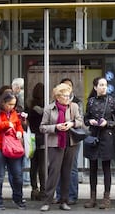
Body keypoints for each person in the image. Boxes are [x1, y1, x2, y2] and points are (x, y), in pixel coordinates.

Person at [39, 83, 83, 212]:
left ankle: (64, 201)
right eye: (65, 96)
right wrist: (55, 127)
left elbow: (81, 122)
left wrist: (72, 123)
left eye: (69, 95)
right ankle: (47, 201)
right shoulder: (49, 108)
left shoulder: (73, 107)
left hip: (70, 143)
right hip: (55, 143)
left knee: (67, 173)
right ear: (58, 97)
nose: (67, 98)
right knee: (54, 172)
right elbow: (42, 127)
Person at [0, 92, 26, 210]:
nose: (11, 107)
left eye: (13, 104)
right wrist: (4, 124)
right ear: (3, 102)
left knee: (17, 174)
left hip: (13, 146)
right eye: (9, 104)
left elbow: (18, 125)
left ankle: (18, 198)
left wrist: (20, 132)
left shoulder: (14, 113)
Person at [83, 76, 115, 209]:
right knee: (92, 167)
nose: (104, 87)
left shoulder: (111, 101)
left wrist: (107, 123)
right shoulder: (91, 101)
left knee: (106, 168)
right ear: (95, 87)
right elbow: (86, 118)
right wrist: (90, 121)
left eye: (105, 85)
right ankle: (92, 197)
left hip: (107, 136)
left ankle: (106, 197)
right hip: (93, 135)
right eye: (101, 85)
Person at [55, 78, 83, 205]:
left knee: (71, 168)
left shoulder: (76, 103)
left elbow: (80, 121)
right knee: (58, 167)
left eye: (69, 86)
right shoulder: (54, 104)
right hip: (58, 139)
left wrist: (71, 123)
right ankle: (59, 195)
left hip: (72, 138)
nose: (67, 88)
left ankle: (72, 195)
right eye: (64, 86)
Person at [28, 82, 46, 201]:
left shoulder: (30, 106)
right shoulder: (46, 108)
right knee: (42, 166)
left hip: (32, 138)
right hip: (43, 137)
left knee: (33, 165)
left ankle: (34, 189)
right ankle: (43, 190)